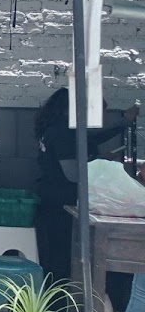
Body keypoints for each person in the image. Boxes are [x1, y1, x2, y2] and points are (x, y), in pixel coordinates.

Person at [35, 88, 139, 285]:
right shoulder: (63, 132)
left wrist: (123, 123)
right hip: (61, 202)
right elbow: (73, 174)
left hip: (52, 198)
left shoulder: (55, 129)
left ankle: (57, 302)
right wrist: (99, 162)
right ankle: (61, 304)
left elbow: (91, 139)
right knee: (62, 257)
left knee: (56, 255)